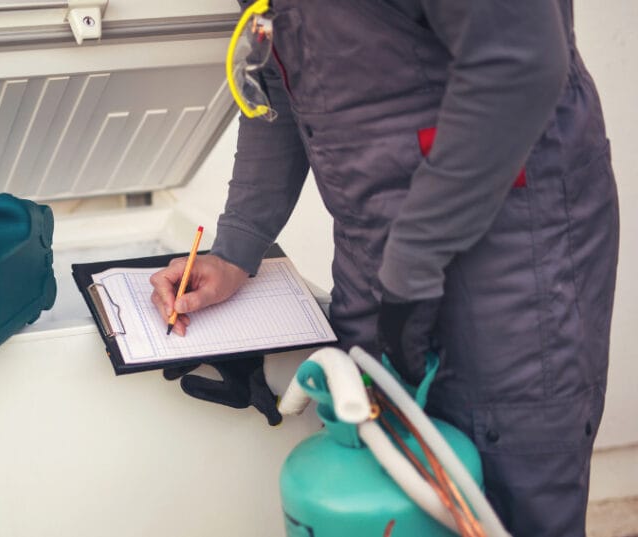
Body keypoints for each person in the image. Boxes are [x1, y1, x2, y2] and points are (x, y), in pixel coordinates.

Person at [149, 1, 619, 535]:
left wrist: (414, 257)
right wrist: (235, 248)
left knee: (506, 495)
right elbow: (275, 71)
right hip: (377, 254)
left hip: (510, 250)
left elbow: (516, 64)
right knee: (385, 472)